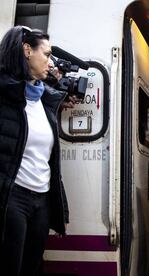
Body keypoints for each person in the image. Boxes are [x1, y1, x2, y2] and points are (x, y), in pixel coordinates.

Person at [0, 26, 73, 275]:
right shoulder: (5, 95)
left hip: (41, 198)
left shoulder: (44, 100)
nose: (50, 61)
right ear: (27, 50)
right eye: (47, 54)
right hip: (13, 198)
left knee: (32, 268)